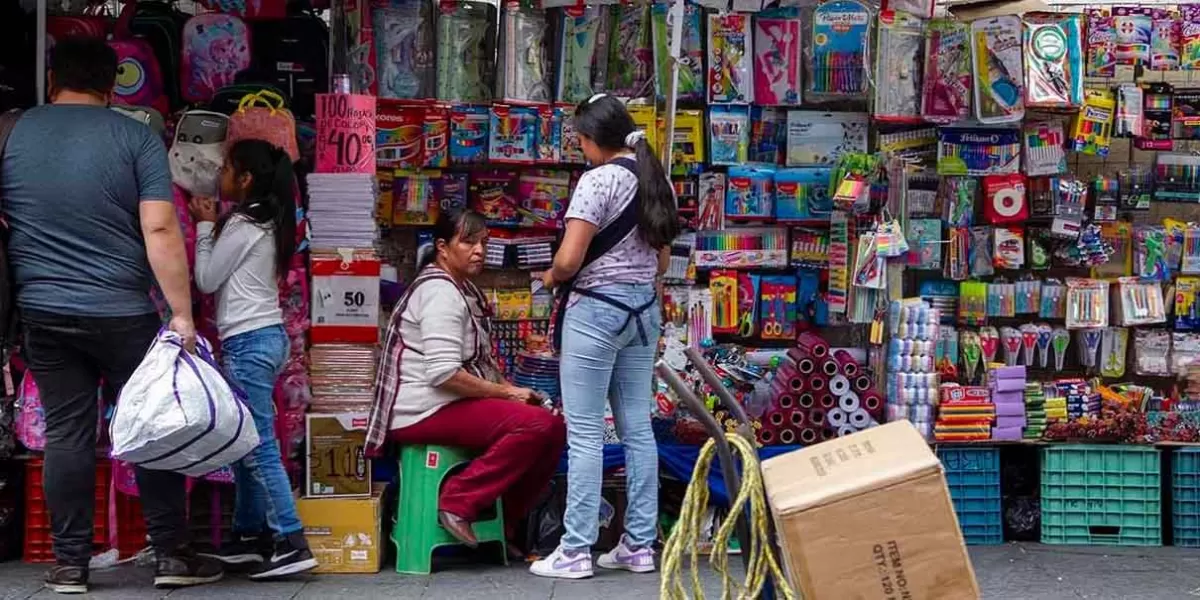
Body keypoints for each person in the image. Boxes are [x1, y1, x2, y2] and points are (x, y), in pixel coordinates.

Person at [0, 37, 221, 593]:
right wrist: (181, 313)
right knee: (151, 425)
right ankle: (171, 555)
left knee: (68, 433)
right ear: (109, 83)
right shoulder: (135, 136)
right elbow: (160, 228)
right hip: (123, 311)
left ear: (53, 79)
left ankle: (70, 563)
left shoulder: (11, 132)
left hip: (44, 310)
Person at [531, 94, 679, 580]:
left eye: (580, 139)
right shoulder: (657, 181)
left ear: (593, 139)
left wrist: (551, 278)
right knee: (637, 428)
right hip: (643, 312)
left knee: (587, 431)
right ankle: (639, 545)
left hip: (596, 312)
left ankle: (574, 549)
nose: (580, 147)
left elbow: (570, 260)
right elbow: (660, 263)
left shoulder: (597, 181)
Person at [366, 209, 566, 556]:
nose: (479, 251)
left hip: (445, 404)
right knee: (536, 426)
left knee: (553, 428)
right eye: (468, 242)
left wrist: (514, 394)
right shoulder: (440, 293)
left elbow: (478, 365)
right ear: (443, 248)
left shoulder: (461, 290)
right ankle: (459, 501)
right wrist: (508, 392)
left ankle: (505, 523)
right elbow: (443, 374)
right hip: (421, 410)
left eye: (483, 243)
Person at [187, 139, 317, 579]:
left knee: (259, 446)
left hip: (249, 343)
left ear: (244, 179)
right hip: (265, 339)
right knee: (247, 441)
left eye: (227, 167)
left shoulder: (243, 222)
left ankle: (292, 540)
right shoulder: (268, 221)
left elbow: (206, 280)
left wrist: (204, 227)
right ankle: (249, 535)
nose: (219, 174)